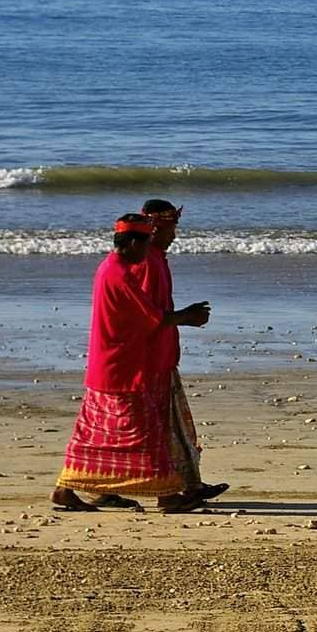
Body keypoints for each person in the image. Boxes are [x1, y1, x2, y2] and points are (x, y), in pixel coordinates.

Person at [51, 215, 209, 513]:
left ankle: (66, 489)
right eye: (146, 242)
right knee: (143, 430)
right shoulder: (119, 274)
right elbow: (154, 318)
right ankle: (167, 494)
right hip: (122, 366)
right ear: (133, 243)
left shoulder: (110, 268)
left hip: (110, 364)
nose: (148, 249)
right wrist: (188, 315)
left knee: (96, 432)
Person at [93, 199, 226, 509]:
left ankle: (183, 484)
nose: (174, 235)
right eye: (169, 228)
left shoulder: (150, 260)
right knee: (157, 427)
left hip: (154, 354)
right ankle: (174, 490)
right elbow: (148, 316)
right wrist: (186, 318)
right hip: (148, 359)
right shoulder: (146, 263)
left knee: (165, 424)